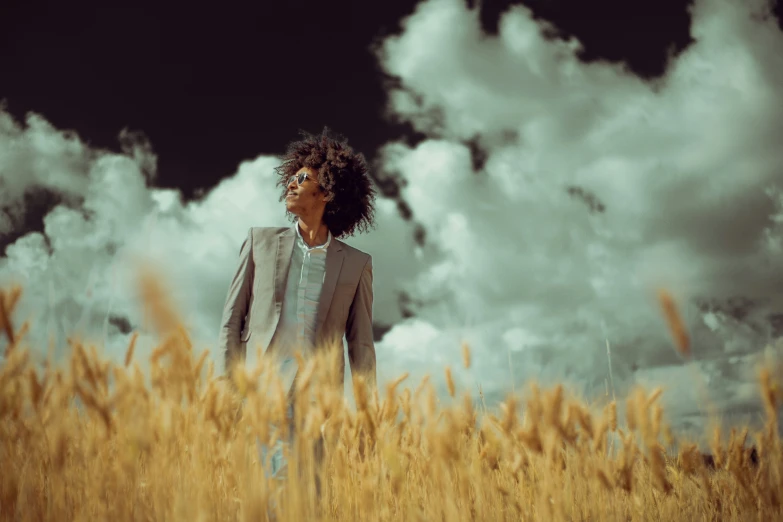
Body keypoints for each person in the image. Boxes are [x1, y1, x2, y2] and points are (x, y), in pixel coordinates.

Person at [217, 127, 378, 492]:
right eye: (292, 177)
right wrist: (225, 390)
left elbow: (362, 344)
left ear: (327, 192)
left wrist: (369, 411)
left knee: (309, 499)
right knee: (269, 492)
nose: (291, 183)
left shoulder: (356, 264)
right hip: (261, 388)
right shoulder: (260, 241)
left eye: (303, 178)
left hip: (318, 400)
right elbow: (232, 321)